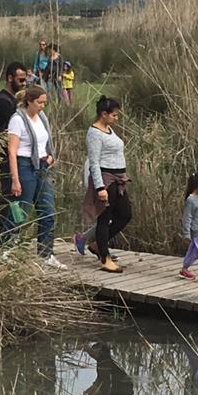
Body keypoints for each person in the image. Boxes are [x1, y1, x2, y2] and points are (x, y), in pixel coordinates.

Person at [7, 84, 63, 267]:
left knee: (47, 210)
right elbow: (12, 150)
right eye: (39, 103)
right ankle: (8, 246)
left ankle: (46, 253)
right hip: (25, 165)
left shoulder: (42, 118)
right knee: (21, 210)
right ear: (29, 101)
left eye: (44, 103)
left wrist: (50, 156)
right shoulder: (18, 119)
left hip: (42, 165)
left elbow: (46, 141)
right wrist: (15, 179)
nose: (42, 106)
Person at [74, 96, 130, 273]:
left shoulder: (108, 129)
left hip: (119, 177)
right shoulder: (94, 133)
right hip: (106, 178)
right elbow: (94, 162)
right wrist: (100, 188)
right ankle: (105, 259)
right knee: (104, 218)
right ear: (104, 114)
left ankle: (99, 245)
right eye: (114, 115)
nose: (116, 118)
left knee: (125, 214)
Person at [0, 63, 28, 239]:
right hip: (6, 156)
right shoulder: (4, 102)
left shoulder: (12, 100)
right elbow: (9, 132)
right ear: (10, 78)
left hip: (12, 155)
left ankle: (10, 233)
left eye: (26, 79)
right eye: (21, 79)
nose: (24, 83)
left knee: (12, 195)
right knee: (10, 195)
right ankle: (5, 236)